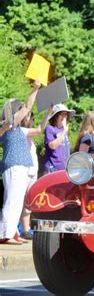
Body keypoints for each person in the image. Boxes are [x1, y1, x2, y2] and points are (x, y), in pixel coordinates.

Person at [0, 79, 41, 244]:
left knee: (17, 201)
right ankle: (5, 234)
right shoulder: (6, 125)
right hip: (14, 166)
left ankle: (12, 232)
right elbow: (27, 107)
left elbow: (27, 109)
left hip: (20, 166)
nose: (22, 112)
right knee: (12, 200)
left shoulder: (14, 127)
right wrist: (35, 88)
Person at [18, 107, 51, 239]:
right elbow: (39, 130)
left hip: (31, 171)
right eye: (31, 118)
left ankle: (25, 229)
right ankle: (19, 229)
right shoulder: (21, 131)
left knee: (28, 202)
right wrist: (48, 114)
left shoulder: (27, 135)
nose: (32, 121)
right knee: (20, 200)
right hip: (24, 171)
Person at [43, 104, 75, 174]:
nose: (64, 117)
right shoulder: (50, 129)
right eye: (62, 114)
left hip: (65, 169)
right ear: (55, 116)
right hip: (52, 168)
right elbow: (52, 145)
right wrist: (64, 132)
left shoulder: (64, 129)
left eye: (66, 114)